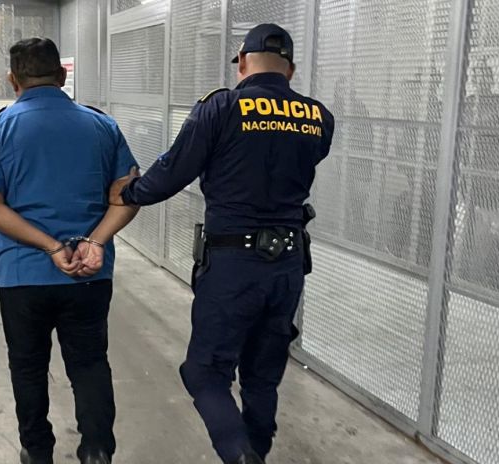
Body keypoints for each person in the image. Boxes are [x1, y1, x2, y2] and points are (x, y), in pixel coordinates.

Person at [110, 24, 334, 464]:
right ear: (290, 69)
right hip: (288, 265)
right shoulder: (318, 116)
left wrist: (129, 192)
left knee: (204, 372)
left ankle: (239, 455)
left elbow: (174, 170)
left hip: (233, 264)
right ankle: (257, 451)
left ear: (243, 63)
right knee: (262, 376)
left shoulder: (223, 107)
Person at [0, 38, 139, 464]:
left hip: (21, 276)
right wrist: (94, 242)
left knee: (27, 367)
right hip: (89, 275)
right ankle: (97, 451)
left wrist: (49, 246)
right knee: (89, 364)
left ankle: (37, 452)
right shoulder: (103, 127)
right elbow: (127, 196)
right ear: (62, 77)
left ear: (13, 80)